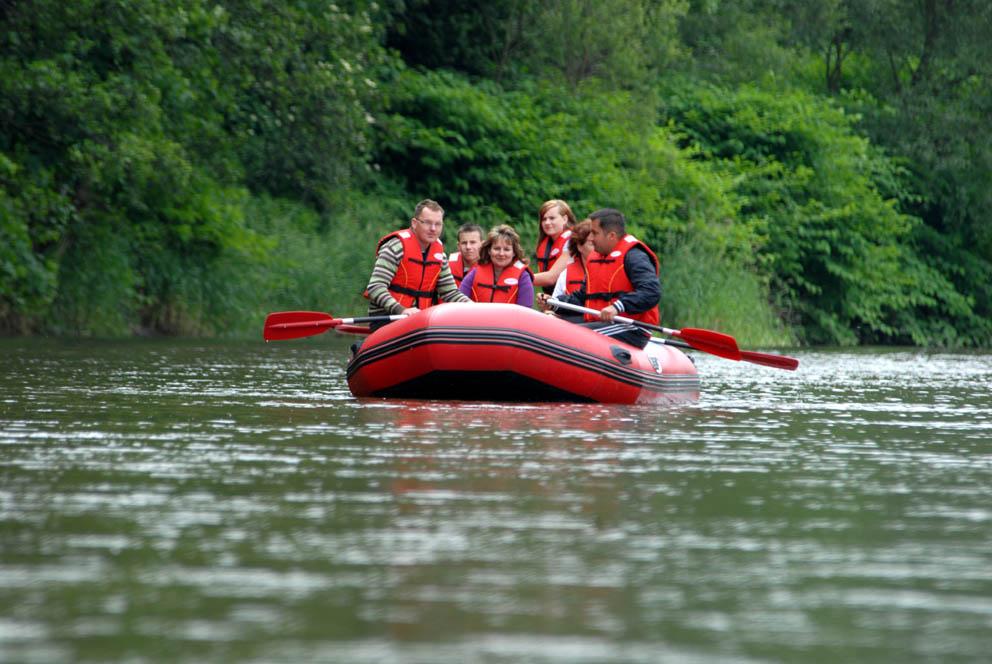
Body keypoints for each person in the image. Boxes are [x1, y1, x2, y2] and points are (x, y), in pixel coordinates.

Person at [539, 208, 660, 349]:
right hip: (600, 322)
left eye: (595, 233)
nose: (591, 238)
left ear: (611, 236)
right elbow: (582, 297)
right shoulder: (595, 259)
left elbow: (652, 291)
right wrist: (554, 303)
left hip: (630, 327)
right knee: (551, 327)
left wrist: (617, 307)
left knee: (573, 336)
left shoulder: (634, 256)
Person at [364, 199, 471, 331]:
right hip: (388, 318)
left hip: (421, 321)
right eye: (427, 223)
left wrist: (473, 308)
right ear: (414, 223)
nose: (433, 229)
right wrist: (401, 310)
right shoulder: (396, 247)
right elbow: (375, 287)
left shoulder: (440, 256)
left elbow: (450, 293)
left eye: (438, 224)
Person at [459, 224, 535, 307]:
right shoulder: (475, 272)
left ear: (514, 252)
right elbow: (459, 300)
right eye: (497, 249)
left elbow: (525, 310)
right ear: (489, 250)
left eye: (506, 249)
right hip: (477, 319)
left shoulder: (523, 276)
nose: (501, 254)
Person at [532, 199, 577, 294]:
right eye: (544, 219)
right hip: (553, 298)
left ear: (565, 219)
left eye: (552, 218)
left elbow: (551, 278)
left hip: (571, 299)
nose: (547, 223)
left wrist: (518, 278)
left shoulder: (572, 241)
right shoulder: (546, 244)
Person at [447, 223, 483, 288]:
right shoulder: (447, 266)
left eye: (473, 242)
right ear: (458, 246)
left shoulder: (489, 267)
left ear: (482, 244)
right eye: (464, 243)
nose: (468, 247)